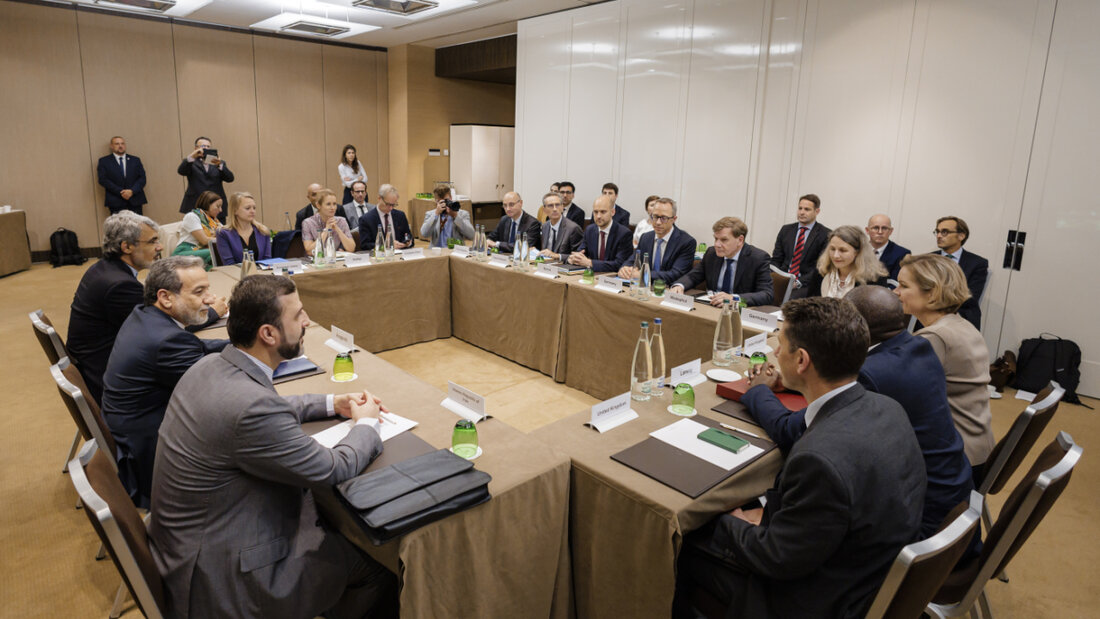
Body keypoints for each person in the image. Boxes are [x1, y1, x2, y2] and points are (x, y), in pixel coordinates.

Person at [149, 274, 397, 619]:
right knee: (378, 569)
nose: (307, 321)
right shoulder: (250, 408)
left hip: (192, 546)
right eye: (298, 316)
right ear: (269, 334)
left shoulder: (210, 366)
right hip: (226, 579)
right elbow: (330, 468)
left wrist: (331, 402)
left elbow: (268, 411)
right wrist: (367, 423)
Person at [674, 297, 925, 619]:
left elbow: (775, 558)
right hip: (868, 570)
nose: (776, 354)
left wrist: (724, 520)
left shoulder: (819, 460)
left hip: (821, 599)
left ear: (802, 360)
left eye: (781, 345)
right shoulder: (887, 407)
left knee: (683, 542)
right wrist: (770, 514)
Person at [742, 286, 975, 541]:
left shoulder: (870, 375)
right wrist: (795, 379)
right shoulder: (917, 345)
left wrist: (758, 391)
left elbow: (789, 430)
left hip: (918, 514)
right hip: (953, 489)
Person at [101, 256, 230, 508]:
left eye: (208, 289)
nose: (209, 299)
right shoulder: (165, 341)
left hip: (133, 431)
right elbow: (219, 390)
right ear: (166, 297)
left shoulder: (146, 316)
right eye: (199, 291)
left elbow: (198, 347)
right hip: (153, 458)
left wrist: (242, 344)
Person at [896, 253, 995, 480]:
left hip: (955, 461)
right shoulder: (960, 325)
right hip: (977, 448)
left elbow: (896, 393)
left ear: (932, 293)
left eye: (903, 286)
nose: (895, 292)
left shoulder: (934, 337)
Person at [67, 212, 162, 405]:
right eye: (152, 242)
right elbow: (159, 330)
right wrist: (207, 313)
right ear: (126, 246)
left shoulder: (103, 268)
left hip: (95, 363)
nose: (159, 247)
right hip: (108, 378)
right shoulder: (119, 285)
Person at [670, 216, 773, 307]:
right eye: (716, 239)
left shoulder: (758, 258)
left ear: (740, 240)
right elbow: (693, 276)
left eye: (724, 240)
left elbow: (766, 294)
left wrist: (735, 298)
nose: (717, 244)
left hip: (738, 312)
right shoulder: (712, 253)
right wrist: (679, 285)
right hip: (711, 306)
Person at [618, 197, 695, 285]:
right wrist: (625, 269)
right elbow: (633, 259)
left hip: (669, 290)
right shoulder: (646, 237)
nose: (658, 222)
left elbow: (676, 274)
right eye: (655, 216)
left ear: (674, 219)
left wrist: (643, 274)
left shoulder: (686, 242)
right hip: (644, 288)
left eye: (663, 218)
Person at [931, 215, 989, 330]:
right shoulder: (928, 259)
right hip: (930, 315)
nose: (938, 236)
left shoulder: (977, 263)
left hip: (961, 317)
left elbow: (969, 296)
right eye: (937, 232)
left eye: (945, 232)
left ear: (961, 236)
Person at [770, 193, 831, 295]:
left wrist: (798, 282)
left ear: (817, 211)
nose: (802, 212)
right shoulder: (786, 230)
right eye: (800, 208)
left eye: (807, 209)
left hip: (805, 283)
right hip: (782, 279)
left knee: (790, 300)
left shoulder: (825, 234)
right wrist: (774, 278)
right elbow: (776, 259)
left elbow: (820, 267)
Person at [805, 225, 886, 298]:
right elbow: (809, 305)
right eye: (832, 249)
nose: (835, 255)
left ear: (858, 252)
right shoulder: (821, 272)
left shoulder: (874, 279)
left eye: (843, 250)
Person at [567, 195, 632, 272]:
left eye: (603, 212)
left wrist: (590, 263)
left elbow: (619, 264)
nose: (598, 216)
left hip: (611, 278)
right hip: (591, 275)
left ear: (612, 212)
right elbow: (581, 251)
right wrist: (575, 258)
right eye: (595, 212)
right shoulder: (589, 230)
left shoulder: (624, 234)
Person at [177, 136, 234, 222]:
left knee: (219, 231)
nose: (206, 148)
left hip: (216, 204)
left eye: (208, 147)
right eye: (203, 146)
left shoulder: (219, 163)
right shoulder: (190, 162)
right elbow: (181, 171)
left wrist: (220, 165)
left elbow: (230, 178)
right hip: (195, 203)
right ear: (196, 148)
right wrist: (192, 156)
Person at [216, 192, 272, 265]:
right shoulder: (223, 233)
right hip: (236, 274)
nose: (252, 211)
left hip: (261, 274)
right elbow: (229, 264)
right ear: (235, 210)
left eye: (254, 208)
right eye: (247, 208)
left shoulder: (263, 231)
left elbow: (267, 261)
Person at [171, 190, 223, 269]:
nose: (220, 210)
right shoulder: (192, 216)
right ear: (207, 204)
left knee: (217, 262)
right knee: (216, 252)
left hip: (204, 251)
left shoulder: (214, 222)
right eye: (218, 206)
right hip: (184, 252)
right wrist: (225, 240)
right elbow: (204, 240)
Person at [97, 136, 147, 215]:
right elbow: (103, 180)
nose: (120, 146)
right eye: (117, 144)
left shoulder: (135, 160)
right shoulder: (104, 161)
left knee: (138, 226)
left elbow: (142, 178)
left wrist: (131, 191)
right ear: (111, 146)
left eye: (122, 143)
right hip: (116, 201)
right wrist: (121, 192)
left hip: (135, 199)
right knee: (119, 227)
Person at [358, 184, 414, 251]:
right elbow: (365, 245)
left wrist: (407, 242)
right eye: (388, 204)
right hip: (379, 257)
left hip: (400, 254)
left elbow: (408, 236)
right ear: (379, 198)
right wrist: (386, 245)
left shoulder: (400, 215)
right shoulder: (366, 219)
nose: (390, 208)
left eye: (393, 205)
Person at [302, 189, 356, 254]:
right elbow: (310, 251)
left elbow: (351, 248)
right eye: (328, 204)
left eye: (334, 204)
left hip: (336, 260)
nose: (332, 207)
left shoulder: (341, 221)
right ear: (318, 205)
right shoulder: (308, 223)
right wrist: (326, 230)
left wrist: (337, 229)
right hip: (316, 261)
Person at [537, 191, 583, 261]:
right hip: (546, 266)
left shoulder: (573, 228)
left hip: (564, 268)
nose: (555, 209)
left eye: (557, 205)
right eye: (550, 206)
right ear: (544, 210)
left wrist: (557, 256)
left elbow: (579, 256)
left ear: (562, 207)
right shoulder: (545, 226)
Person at [866, 213, 910, 281]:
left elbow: (896, 282)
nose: (880, 232)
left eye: (884, 228)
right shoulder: (858, 250)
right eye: (875, 228)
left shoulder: (901, 254)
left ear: (890, 231)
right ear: (867, 230)